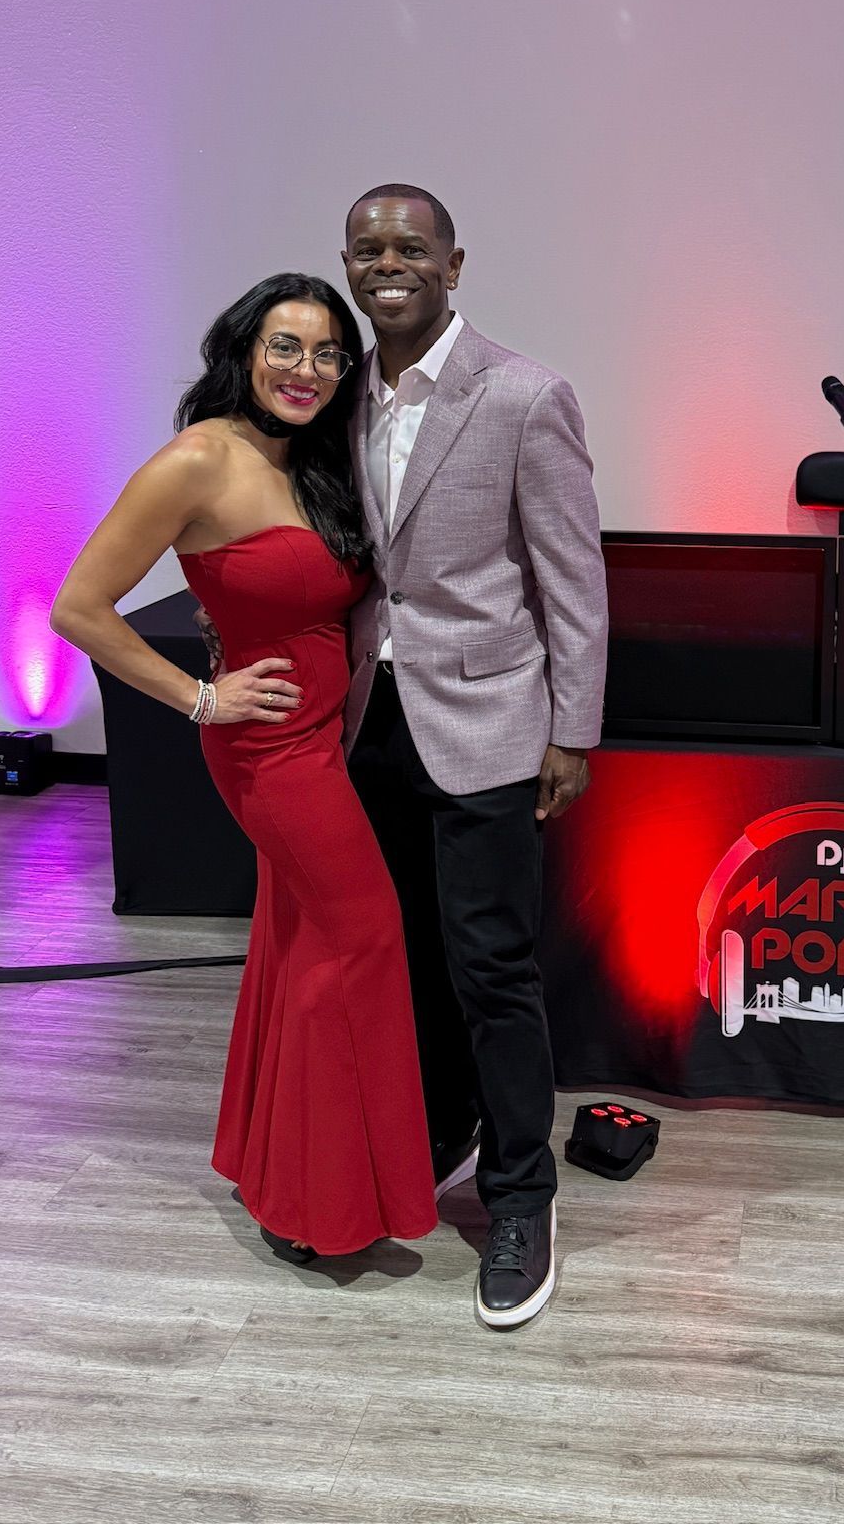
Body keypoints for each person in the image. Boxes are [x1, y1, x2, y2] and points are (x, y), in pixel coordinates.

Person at [51, 273, 437, 1265]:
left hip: (329, 734)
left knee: (300, 943)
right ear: (244, 349)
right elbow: (79, 607)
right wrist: (199, 696)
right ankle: (316, 1193)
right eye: (286, 345)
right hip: (265, 748)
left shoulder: (316, 459)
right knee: (361, 933)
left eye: (326, 353)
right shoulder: (195, 460)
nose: (306, 369)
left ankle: (279, 1172)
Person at [340, 182, 608, 1329]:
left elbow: (574, 577)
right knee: (400, 963)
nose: (386, 262)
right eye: (367, 246)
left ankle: (520, 1195)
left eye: (410, 245)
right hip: (370, 722)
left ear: (455, 263)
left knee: (492, 968)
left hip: (491, 718)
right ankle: (433, 1138)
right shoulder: (336, 394)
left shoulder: (523, 394)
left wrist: (573, 728)